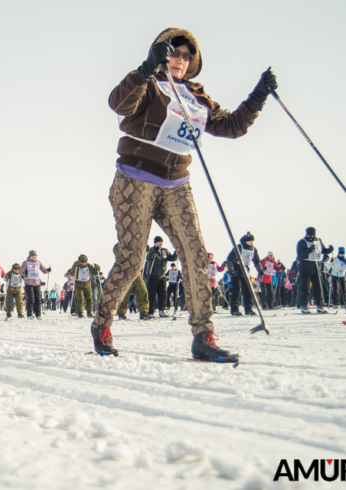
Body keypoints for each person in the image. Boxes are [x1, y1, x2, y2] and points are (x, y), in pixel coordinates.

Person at [92, 28, 275, 359]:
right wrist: (145, 69)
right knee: (133, 259)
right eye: (174, 52)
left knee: (195, 255)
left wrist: (257, 98)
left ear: (194, 61)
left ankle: (203, 336)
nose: (180, 59)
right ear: (162, 53)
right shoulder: (148, 83)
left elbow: (230, 126)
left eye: (187, 55)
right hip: (135, 178)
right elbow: (118, 103)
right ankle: (102, 324)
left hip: (177, 183)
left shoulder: (198, 98)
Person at [226, 232, 263, 316]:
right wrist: (231, 270)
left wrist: (260, 270)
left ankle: (248, 309)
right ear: (245, 241)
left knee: (248, 289)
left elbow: (256, 260)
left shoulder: (254, 249)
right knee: (237, 289)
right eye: (249, 241)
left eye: (252, 241)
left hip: (245, 269)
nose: (251, 242)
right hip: (236, 268)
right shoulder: (239, 247)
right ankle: (234, 309)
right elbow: (229, 259)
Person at [297, 227, 333, 314]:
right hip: (305, 267)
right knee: (305, 287)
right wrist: (310, 249)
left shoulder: (318, 241)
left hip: (316, 267)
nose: (310, 237)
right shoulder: (302, 242)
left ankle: (320, 305)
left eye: (312, 235)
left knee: (318, 287)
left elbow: (323, 251)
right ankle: (304, 305)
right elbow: (300, 254)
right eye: (309, 235)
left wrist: (329, 250)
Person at [113, 243, 150, 320]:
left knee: (143, 292)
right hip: (125, 274)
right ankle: (121, 313)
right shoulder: (118, 246)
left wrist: (144, 249)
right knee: (124, 295)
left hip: (136, 274)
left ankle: (144, 312)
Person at [144, 237, 177, 317]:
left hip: (162, 276)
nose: (160, 243)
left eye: (161, 242)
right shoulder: (152, 250)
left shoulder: (165, 251)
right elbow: (147, 258)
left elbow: (172, 258)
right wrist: (153, 251)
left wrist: (176, 253)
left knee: (163, 294)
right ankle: (150, 311)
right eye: (158, 242)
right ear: (155, 243)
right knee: (152, 295)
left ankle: (162, 310)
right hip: (153, 276)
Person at [19, 251, 50, 320]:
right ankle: (29, 314)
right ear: (29, 256)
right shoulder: (25, 263)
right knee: (31, 299)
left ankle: (38, 314)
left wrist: (47, 270)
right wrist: (25, 272)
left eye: (35, 257)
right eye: (33, 256)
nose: (34, 258)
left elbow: (43, 270)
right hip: (29, 283)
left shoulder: (38, 262)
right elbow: (20, 272)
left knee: (38, 299)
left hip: (37, 283)